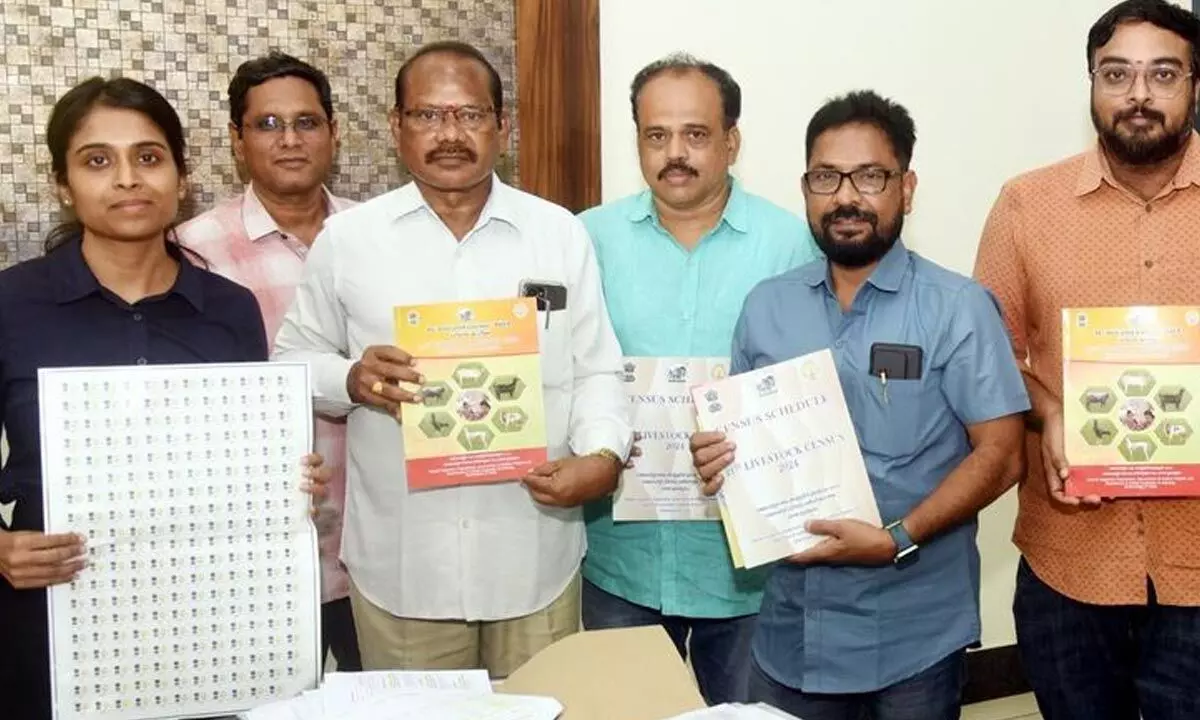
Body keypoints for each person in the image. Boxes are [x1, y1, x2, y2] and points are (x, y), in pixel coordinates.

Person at [272, 40, 633, 678]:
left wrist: (602, 455)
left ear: (502, 126)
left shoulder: (557, 233)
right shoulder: (349, 241)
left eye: (469, 115)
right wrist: (352, 378)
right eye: (428, 116)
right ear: (396, 126)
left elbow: (597, 368)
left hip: (534, 553)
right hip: (404, 565)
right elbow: (293, 360)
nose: (449, 134)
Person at [689, 90, 1029, 720]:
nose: (846, 197)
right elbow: (740, 447)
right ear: (806, 187)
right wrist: (716, 459)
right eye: (826, 177)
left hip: (911, 640)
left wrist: (897, 538)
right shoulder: (767, 305)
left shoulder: (958, 307)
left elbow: (1004, 456)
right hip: (789, 635)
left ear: (907, 186)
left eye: (870, 176)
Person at [0, 77, 329, 720]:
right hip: (54, 619)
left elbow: (239, 459)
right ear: (64, 185)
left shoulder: (229, 310)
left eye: (148, 158)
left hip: (208, 625)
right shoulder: (11, 304)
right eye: (98, 160)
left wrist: (285, 477)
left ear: (181, 177)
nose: (127, 179)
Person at [973, 2, 1200, 717]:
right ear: (1091, 85)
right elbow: (986, 354)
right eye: (1117, 74)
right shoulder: (1025, 205)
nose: (1138, 94)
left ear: (1195, 85)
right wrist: (1049, 412)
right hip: (1069, 557)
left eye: (1163, 74)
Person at [577, 52, 819, 704]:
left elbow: (821, 392)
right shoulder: (584, 242)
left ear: (731, 141)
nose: (674, 153)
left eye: (695, 134)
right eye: (656, 135)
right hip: (619, 561)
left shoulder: (792, 246)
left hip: (746, 570)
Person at [176, 51, 361, 672]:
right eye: (267, 124)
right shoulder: (191, 255)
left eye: (307, 123)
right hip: (258, 561)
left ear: (333, 132)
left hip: (380, 552)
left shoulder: (379, 237)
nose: (289, 140)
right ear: (237, 139)